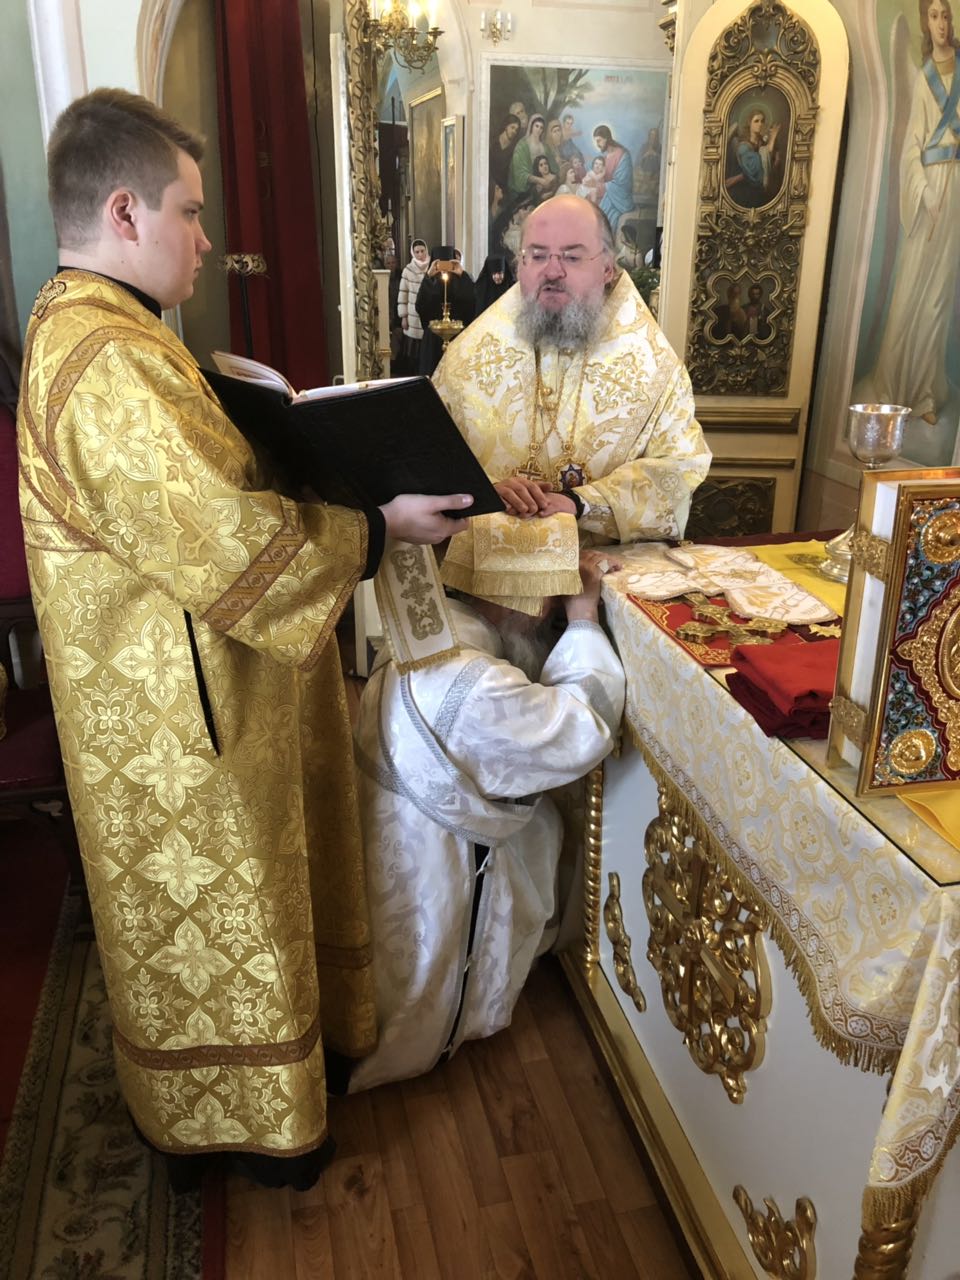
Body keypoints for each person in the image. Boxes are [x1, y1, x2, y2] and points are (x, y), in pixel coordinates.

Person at [16, 87, 473, 1191]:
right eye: (189, 211)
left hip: (193, 689)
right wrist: (378, 526)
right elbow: (225, 542)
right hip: (182, 723)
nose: (207, 238)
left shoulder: (105, 329)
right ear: (125, 212)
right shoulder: (106, 358)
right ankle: (249, 1122)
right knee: (229, 922)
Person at [350, 519, 625, 1091]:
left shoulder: (426, 632)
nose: (547, 612)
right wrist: (582, 619)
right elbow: (581, 726)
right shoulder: (474, 683)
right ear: (520, 593)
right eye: (547, 595)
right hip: (435, 874)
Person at [433, 194, 710, 544]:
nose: (552, 271)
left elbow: (678, 469)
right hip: (491, 567)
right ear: (520, 266)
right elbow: (429, 460)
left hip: (606, 568)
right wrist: (487, 491)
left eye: (572, 256)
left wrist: (581, 504)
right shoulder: (466, 359)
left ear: (607, 268)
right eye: (537, 256)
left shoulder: (656, 370)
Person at [855, 0, 960, 425]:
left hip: (957, 189)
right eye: (933, 15)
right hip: (929, 191)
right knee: (912, 289)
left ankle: (925, 394)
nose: (941, 23)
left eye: (946, 15)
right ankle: (895, 387)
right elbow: (911, 147)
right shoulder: (922, 80)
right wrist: (925, 192)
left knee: (939, 296)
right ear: (925, 22)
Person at [415, 244, 475, 375]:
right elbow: (420, 306)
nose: (444, 269)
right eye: (440, 265)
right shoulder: (430, 281)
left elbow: (471, 302)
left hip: (457, 336)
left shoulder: (460, 281)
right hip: (433, 338)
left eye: (447, 264)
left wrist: (462, 274)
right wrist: (429, 276)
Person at [726, 109, 782, 209]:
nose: (760, 124)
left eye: (762, 121)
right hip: (745, 192)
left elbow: (772, 168)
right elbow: (755, 170)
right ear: (749, 123)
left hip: (762, 194)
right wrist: (773, 138)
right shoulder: (743, 146)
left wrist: (776, 158)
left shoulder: (763, 143)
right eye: (756, 121)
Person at [593, 125, 634, 232]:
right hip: (608, 195)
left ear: (606, 138)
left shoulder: (623, 155)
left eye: (599, 141)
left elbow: (622, 183)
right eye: (596, 141)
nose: (597, 144)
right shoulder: (606, 157)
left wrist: (601, 187)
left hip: (620, 198)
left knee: (603, 219)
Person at [397, 237, 429, 371]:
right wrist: (403, 317)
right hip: (413, 317)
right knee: (414, 353)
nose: (420, 254)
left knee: (427, 351)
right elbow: (403, 295)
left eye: (422, 251)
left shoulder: (432, 267)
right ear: (413, 253)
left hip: (428, 313)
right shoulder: (408, 270)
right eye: (417, 252)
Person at [507, 115, 548, 201]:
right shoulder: (522, 145)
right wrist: (539, 180)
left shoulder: (544, 146)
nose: (538, 130)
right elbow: (519, 173)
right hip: (522, 190)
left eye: (541, 127)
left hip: (540, 186)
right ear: (531, 126)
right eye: (536, 126)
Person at [489, 113, 522, 214]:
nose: (514, 131)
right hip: (489, 185)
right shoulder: (492, 143)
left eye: (516, 130)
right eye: (512, 127)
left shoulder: (515, 149)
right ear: (506, 126)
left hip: (505, 189)